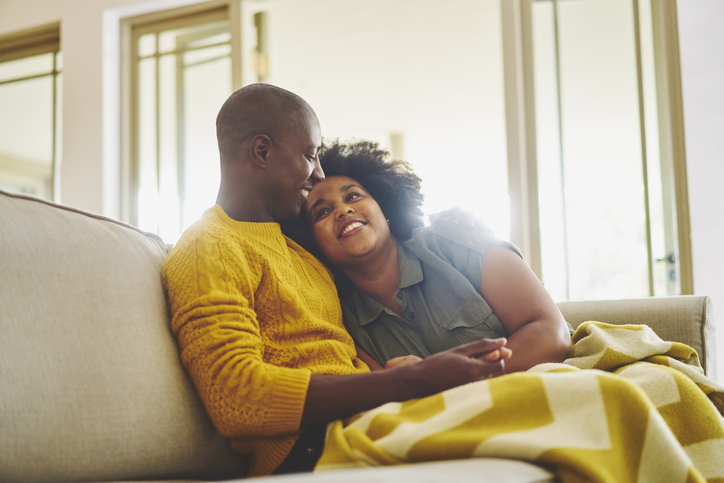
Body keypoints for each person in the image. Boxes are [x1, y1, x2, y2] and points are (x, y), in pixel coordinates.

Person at [162, 84, 509, 477]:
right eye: (310, 155)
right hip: (310, 447)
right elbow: (236, 400)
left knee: (551, 394)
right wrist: (409, 381)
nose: (319, 173)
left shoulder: (301, 255)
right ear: (262, 151)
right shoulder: (208, 245)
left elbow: (339, 348)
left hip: (369, 420)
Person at [290, 140, 573, 374]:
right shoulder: (340, 319)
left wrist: (449, 379)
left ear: (385, 205)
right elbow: (378, 392)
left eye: (352, 196)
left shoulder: (453, 240)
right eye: (322, 212)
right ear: (312, 242)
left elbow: (551, 333)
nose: (342, 211)